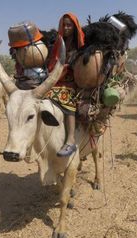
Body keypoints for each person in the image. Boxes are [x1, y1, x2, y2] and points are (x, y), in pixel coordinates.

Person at [47, 13, 85, 157]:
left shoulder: (80, 45)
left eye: (69, 25)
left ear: (75, 27)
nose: (66, 28)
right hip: (57, 79)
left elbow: (80, 64)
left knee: (66, 97)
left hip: (73, 81)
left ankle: (70, 140)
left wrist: (64, 69)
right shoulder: (59, 42)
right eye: (64, 25)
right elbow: (54, 61)